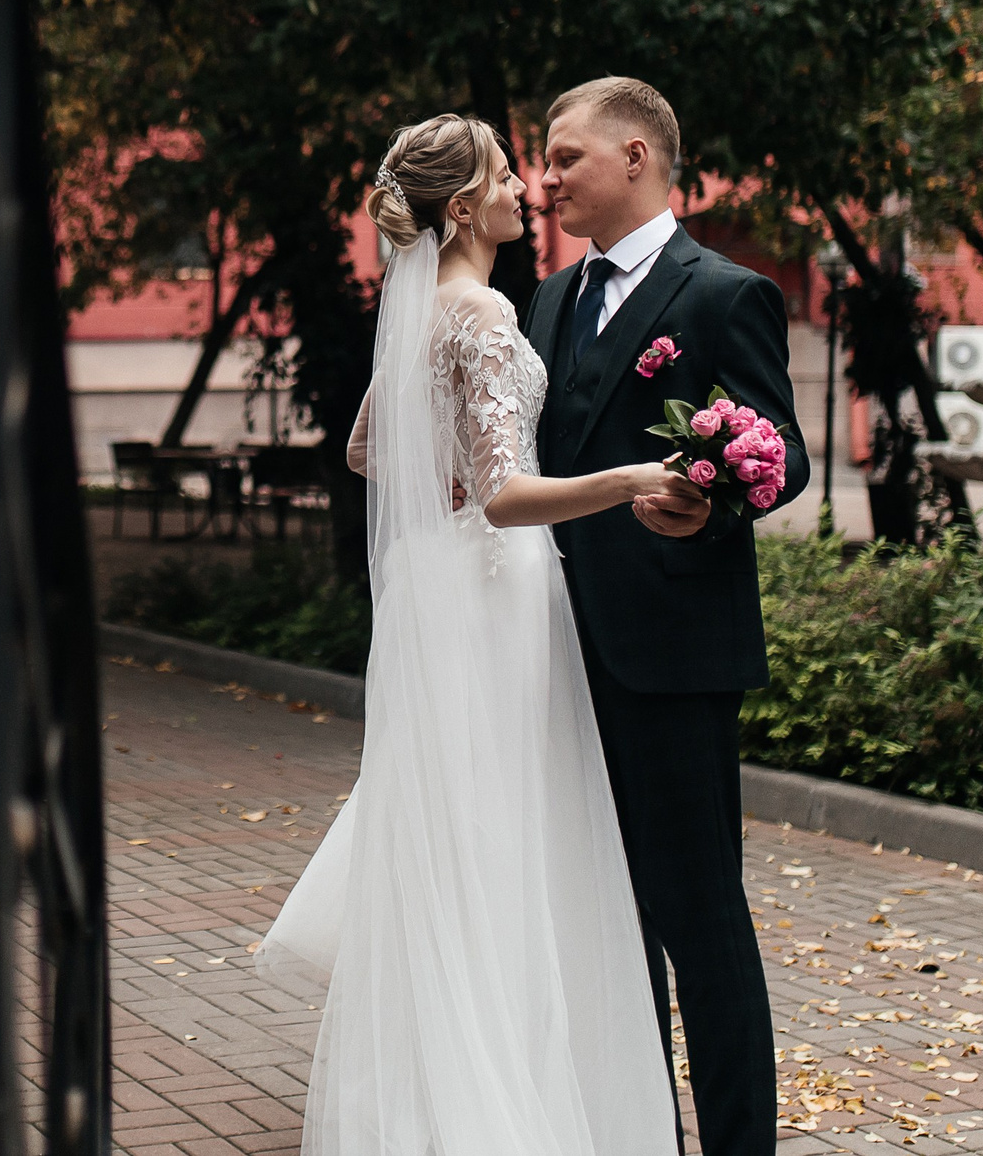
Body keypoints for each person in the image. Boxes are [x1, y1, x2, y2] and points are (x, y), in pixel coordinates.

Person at [255, 112, 703, 1155]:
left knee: (451, 825)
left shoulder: (416, 315)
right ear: (464, 208)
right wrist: (634, 475)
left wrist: (444, 481)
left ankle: (427, 1092)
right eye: (507, 176)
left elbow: (370, 449)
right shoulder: (487, 313)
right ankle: (503, 1102)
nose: (526, 190)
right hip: (493, 587)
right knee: (506, 828)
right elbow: (504, 495)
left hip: (429, 586)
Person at [527, 76, 809, 1156]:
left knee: (701, 923)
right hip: (556, 652)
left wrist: (709, 510)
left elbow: (776, 452)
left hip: (675, 656)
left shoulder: (722, 291)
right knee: (605, 921)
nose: (547, 178)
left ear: (635, 155)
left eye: (564, 158)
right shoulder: (548, 298)